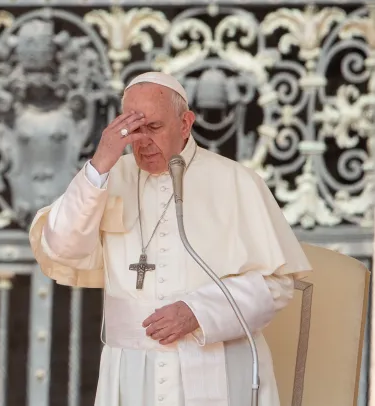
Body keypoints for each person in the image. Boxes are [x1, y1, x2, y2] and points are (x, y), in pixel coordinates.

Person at [28, 72, 312, 406]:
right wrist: (101, 162)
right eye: (133, 129)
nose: (143, 141)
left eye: (154, 127)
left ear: (185, 123)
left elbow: (278, 284)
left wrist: (200, 312)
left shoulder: (236, 181)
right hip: (129, 374)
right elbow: (61, 247)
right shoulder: (105, 177)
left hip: (216, 369)